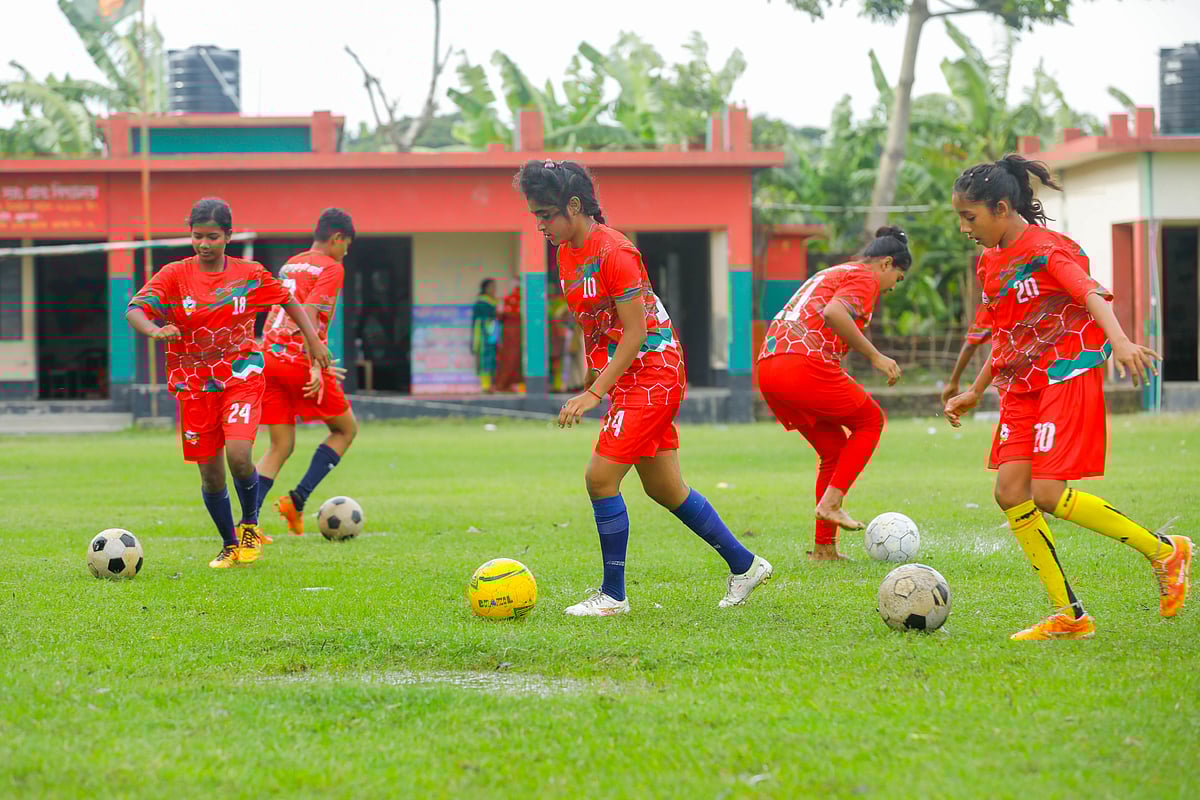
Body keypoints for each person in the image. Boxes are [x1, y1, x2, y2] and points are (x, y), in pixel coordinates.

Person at [944, 154, 1192, 640]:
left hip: (1063, 374)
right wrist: (975, 391)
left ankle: (1165, 551)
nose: (963, 227)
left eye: (969, 217)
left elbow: (1091, 293)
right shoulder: (988, 263)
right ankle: (1070, 615)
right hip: (1019, 386)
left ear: (1000, 207)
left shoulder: (1049, 250)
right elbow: (1003, 331)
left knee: (1046, 493)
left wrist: (1119, 341)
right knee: (1009, 491)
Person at [514, 158, 773, 615]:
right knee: (665, 488)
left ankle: (613, 596)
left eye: (545, 215)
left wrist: (593, 392)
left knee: (600, 478)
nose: (539, 225)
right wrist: (593, 378)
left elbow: (634, 333)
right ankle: (746, 565)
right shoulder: (564, 253)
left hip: (653, 374)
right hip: (627, 377)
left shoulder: (616, 252)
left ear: (574, 206)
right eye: (535, 216)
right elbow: (593, 325)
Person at [125, 197, 330, 568]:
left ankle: (250, 524)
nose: (204, 244)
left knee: (238, 454)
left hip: (241, 376)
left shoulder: (249, 274)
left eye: (212, 237)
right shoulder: (174, 274)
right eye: (197, 236)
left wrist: (314, 341)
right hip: (194, 385)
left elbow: (288, 299)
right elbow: (135, 309)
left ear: (229, 236)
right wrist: (155, 330)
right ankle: (229, 544)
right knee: (211, 474)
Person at [756, 227, 910, 561]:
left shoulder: (834, 271)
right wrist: (876, 356)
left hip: (769, 367)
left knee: (833, 449)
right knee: (871, 420)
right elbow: (834, 313)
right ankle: (832, 502)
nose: (892, 287)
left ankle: (824, 549)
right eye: (897, 279)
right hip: (800, 365)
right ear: (886, 264)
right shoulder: (865, 278)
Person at [254, 208, 359, 537]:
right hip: (299, 359)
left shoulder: (291, 263)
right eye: (346, 245)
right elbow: (311, 314)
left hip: (268, 358)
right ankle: (297, 500)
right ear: (336, 238)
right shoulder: (331, 267)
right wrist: (315, 364)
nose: (346, 253)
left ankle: (247, 523)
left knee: (280, 446)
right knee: (344, 430)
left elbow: (281, 312)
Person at [470, 279, 499, 392]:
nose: (494, 290)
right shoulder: (482, 303)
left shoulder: (494, 301)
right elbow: (479, 320)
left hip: (493, 333)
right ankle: (485, 385)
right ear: (485, 288)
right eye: (492, 287)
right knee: (484, 358)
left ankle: (491, 384)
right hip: (483, 333)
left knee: (492, 358)